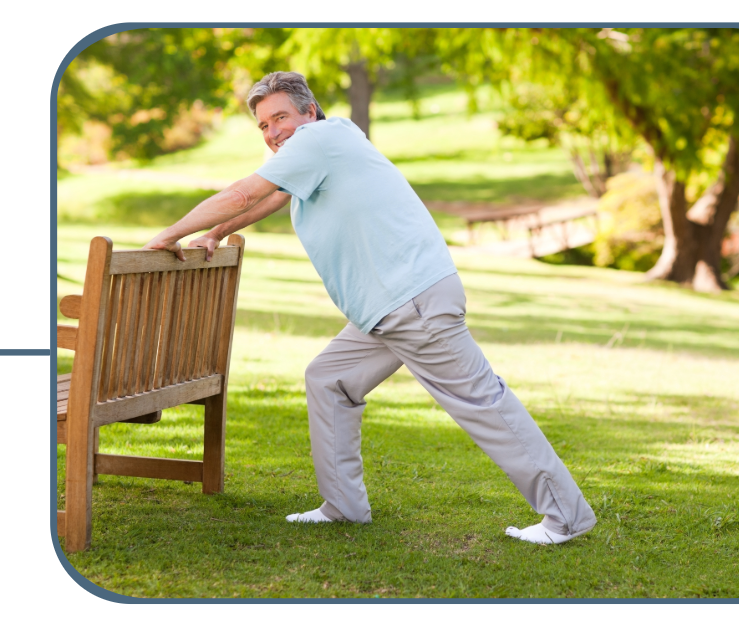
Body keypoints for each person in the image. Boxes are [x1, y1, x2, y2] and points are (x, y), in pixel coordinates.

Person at [142, 71, 596, 545]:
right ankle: (343, 507)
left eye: (280, 117)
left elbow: (243, 194)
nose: (273, 132)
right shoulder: (325, 145)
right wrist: (216, 232)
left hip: (411, 302)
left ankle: (567, 515)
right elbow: (275, 195)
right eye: (263, 126)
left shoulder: (318, 140)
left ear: (308, 111)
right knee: (328, 380)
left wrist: (167, 235)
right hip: (386, 311)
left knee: (483, 403)